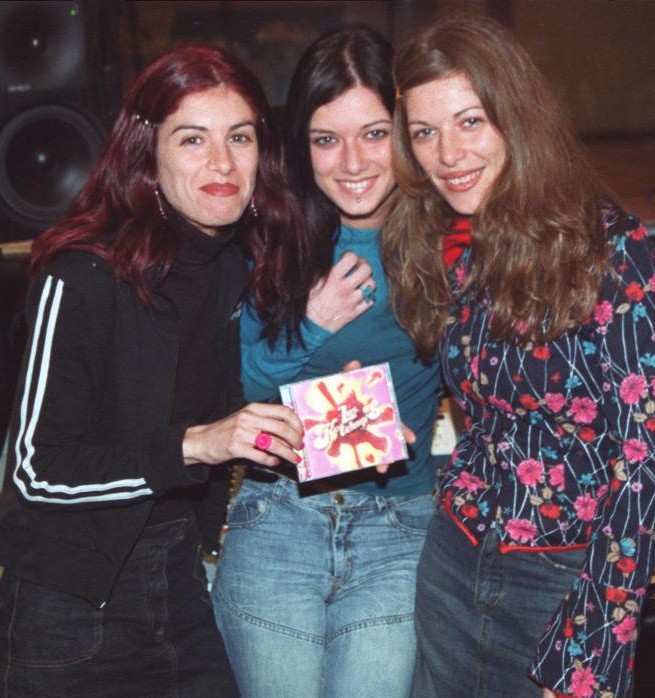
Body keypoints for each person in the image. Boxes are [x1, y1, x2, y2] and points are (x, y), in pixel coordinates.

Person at [0, 46, 304, 698]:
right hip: (69, 609)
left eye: (239, 137)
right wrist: (201, 443)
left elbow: (242, 405)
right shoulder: (82, 272)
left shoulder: (236, 264)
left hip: (177, 584)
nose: (222, 163)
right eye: (193, 139)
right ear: (146, 156)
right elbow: (37, 471)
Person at [383, 15, 655, 698]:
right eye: (425, 132)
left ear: (517, 119)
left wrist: (590, 654)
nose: (446, 153)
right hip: (455, 563)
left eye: (470, 122)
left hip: (563, 585)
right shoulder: (454, 247)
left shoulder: (615, 252)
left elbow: (646, 470)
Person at [211, 26, 444, 698]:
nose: (351, 161)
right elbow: (241, 389)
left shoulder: (446, 243)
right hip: (279, 514)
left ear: (405, 135)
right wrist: (311, 326)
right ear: (300, 145)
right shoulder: (272, 237)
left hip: (397, 525)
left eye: (373, 133)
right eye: (325, 139)